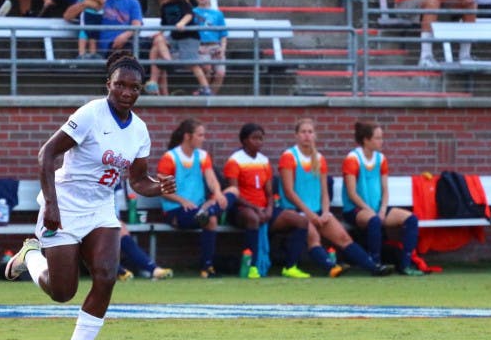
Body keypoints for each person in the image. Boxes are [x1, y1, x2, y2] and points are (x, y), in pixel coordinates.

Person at [2, 51, 175, 340]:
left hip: (100, 209)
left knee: (107, 275)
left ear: (141, 91)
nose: (126, 92)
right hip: (64, 206)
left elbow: (138, 180)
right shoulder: (91, 114)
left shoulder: (139, 130)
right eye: (120, 85)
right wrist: (51, 204)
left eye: (134, 88)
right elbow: (46, 154)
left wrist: (158, 187)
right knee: (62, 291)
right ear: (108, 84)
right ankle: (30, 256)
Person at [277, 118, 392, 278]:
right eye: (303, 132)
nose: (307, 136)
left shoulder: (320, 158)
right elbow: (289, 192)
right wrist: (310, 215)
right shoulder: (288, 156)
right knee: (314, 237)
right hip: (296, 211)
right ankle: (331, 267)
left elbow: (324, 192)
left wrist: (325, 212)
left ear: (315, 135)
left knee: (343, 237)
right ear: (296, 135)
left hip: (318, 211)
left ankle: (374, 267)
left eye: (310, 132)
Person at [222, 122, 310, 279]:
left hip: (264, 209)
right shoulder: (235, 161)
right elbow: (233, 193)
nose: (258, 142)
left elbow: (269, 193)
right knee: (253, 218)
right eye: (254, 138)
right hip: (242, 209)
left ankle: (290, 267)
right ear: (244, 140)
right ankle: (253, 266)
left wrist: (269, 209)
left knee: (301, 221)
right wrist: (255, 208)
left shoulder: (264, 161)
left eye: (261, 139)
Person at [342, 121, 423, 276]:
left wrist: (383, 209)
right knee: (374, 220)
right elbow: (352, 193)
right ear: (366, 140)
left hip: (378, 208)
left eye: (382, 137)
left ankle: (405, 265)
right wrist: (370, 210)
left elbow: (385, 189)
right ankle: (376, 264)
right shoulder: (352, 159)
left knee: (411, 219)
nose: (381, 141)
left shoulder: (381, 159)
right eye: (378, 138)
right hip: (356, 209)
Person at [156, 118, 230, 279]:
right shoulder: (170, 157)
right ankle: (207, 268)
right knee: (211, 220)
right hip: (175, 210)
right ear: (188, 136)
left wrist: (217, 193)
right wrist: (182, 201)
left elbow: (211, 180)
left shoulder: (203, 156)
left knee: (231, 193)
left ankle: (208, 210)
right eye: (200, 135)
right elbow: (162, 189)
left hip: (199, 208)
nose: (203, 139)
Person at [145, 0, 212, 97]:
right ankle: (154, 79)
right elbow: (164, 25)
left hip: (189, 37)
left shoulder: (182, 2)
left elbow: (189, 15)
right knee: (157, 43)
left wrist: (182, 23)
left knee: (191, 63)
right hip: (175, 37)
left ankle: (205, 87)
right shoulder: (164, 7)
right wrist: (158, 33)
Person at [192, 0, 227, 95]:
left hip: (215, 47)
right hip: (200, 47)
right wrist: (196, 47)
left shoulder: (218, 14)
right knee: (207, 68)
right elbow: (190, 33)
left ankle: (212, 96)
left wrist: (222, 48)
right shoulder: (191, 13)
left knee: (220, 73)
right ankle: (204, 93)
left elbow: (223, 34)